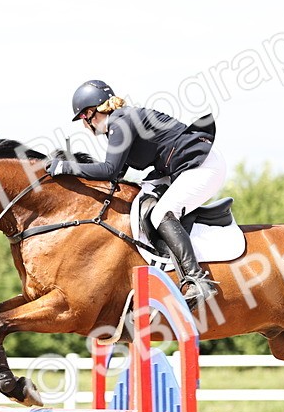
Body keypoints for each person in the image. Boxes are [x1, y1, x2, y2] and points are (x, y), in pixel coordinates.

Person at [46, 79, 224, 309]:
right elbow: (118, 173)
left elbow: (109, 171)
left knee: (161, 213)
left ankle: (198, 280)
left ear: (91, 113)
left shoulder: (120, 123)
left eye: (82, 119)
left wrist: (65, 168)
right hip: (182, 166)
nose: (84, 126)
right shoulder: (121, 122)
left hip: (203, 165)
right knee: (141, 199)